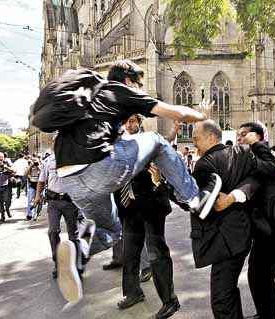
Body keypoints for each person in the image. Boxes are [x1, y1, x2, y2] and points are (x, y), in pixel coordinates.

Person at [32, 60, 220, 304]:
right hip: (98, 169)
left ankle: (78, 249)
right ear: (129, 80)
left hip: (69, 179)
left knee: (110, 230)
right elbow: (177, 113)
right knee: (155, 140)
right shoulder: (118, 90)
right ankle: (196, 199)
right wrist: (201, 115)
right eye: (139, 85)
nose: (140, 89)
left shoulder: (87, 101)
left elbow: (119, 140)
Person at [191, 120, 275, 319]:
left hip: (222, 240)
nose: (193, 143)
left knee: (222, 300)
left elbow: (196, 204)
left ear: (211, 137)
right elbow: (267, 172)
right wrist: (238, 194)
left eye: (196, 138)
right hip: (242, 235)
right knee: (228, 292)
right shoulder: (243, 153)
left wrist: (162, 184)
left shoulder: (204, 164)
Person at [225, 122, 275, 319]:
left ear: (256, 136)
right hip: (270, 224)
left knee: (260, 275)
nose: (239, 138)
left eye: (243, 134)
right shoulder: (253, 152)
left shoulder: (260, 149)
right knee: (260, 275)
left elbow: (272, 169)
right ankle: (267, 314)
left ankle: (268, 316)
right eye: (238, 135)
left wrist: (250, 151)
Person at [112, 114, 180, 318]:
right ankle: (133, 293)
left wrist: (174, 131)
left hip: (151, 207)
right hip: (129, 208)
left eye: (133, 120)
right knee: (130, 254)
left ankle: (170, 301)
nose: (129, 124)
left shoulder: (150, 142)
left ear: (139, 122)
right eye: (127, 121)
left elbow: (165, 150)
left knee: (157, 254)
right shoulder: (118, 146)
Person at [33, 154, 94, 284]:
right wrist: (37, 196)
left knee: (73, 234)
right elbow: (41, 180)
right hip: (53, 202)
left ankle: (76, 265)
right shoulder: (48, 161)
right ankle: (58, 263)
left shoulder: (74, 158)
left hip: (70, 202)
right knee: (53, 231)